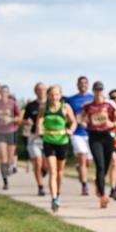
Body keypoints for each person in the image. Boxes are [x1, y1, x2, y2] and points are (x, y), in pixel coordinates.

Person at [37, 84, 77, 212]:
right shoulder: (44, 107)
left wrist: (71, 130)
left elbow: (74, 122)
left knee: (60, 172)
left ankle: (58, 194)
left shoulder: (65, 107)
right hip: (49, 141)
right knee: (53, 171)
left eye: (56, 94)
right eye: (52, 94)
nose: (54, 97)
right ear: (48, 96)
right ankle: (54, 199)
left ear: (60, 95)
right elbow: (40, 121)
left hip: (62, 142)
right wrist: (40, 129)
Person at [81, 81, 116, 208]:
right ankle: (103, 196)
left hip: (108, 137)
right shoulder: (88, 106)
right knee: (100, 165)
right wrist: (84, 123)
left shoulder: (109, 104)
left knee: (106, 166)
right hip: (94, 136)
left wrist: (112, 124)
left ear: (103, 91)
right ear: (93, 91)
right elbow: (82, 118)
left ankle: (98, 182)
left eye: (101, 89)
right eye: (96, 90)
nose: (99, 92)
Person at [65, 75, 94, 196]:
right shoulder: (71, 100)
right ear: (77, 85)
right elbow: (67, 114)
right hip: (77, 133)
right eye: (81, 83)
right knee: (82, 157)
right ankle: (84, 186)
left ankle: (79, 168)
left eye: (85, 83)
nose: (83, 85)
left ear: (88, 85)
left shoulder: (93, 98)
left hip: (91, 133)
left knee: (89, 162)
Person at [0, 85, 21, 190]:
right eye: (2, 91)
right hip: (0, 132)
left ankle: (9, 168)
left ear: (8, 93)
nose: (4, 93)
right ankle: (5, 182)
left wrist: (11, 120)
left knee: (10, 158)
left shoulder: (13, 104)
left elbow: (19, 117)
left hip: (11, 132)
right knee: (3, 157)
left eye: (6, 92)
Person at [22, 82, 47, 196]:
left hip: (47, 137)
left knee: (45, 165)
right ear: (35, 91)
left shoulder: (50, 105)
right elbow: (23, 121)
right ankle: (40, 187)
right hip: (33, 137)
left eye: (43, 89)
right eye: (38, 89)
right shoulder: (30, 106)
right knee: (37, 162)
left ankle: (44, 170)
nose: (41, 91)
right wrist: (26, 124)